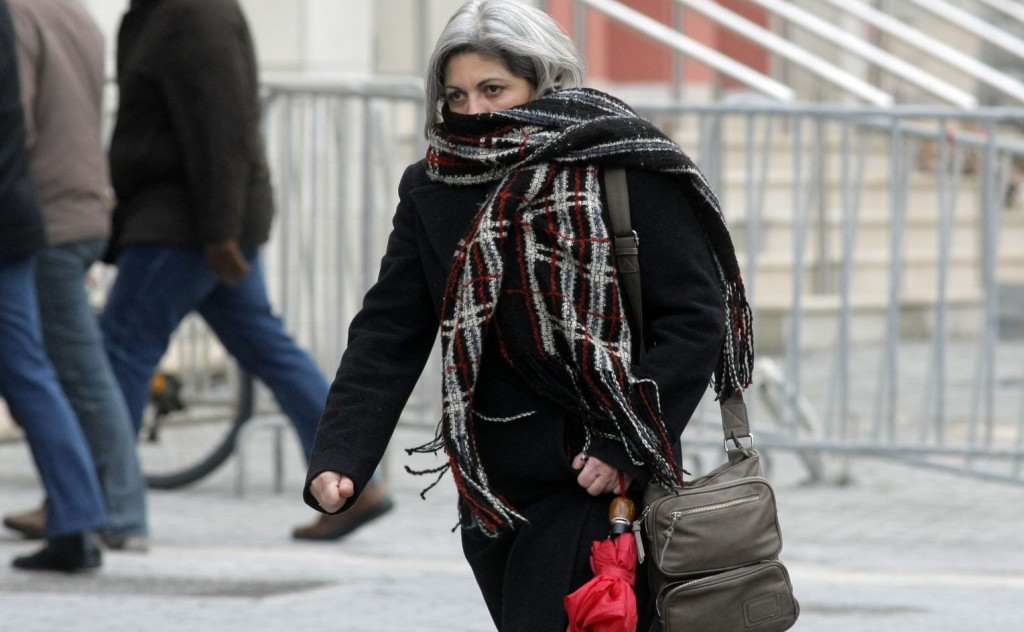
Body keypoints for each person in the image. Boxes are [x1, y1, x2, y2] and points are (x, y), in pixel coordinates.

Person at [303, 1, 754, 630]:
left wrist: (625, 443)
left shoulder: (619, 166)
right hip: (491, 486)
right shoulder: (432, 185)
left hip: (597, 474)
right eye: (456, 95)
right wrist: (342, 455)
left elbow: (694, 318)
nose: (474, 111)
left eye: (493, 89)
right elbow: (389, 330)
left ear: (543, 82)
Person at [100, 0, 393, 541]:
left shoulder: (191, 14)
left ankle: (99, 505)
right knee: (266, 346)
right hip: (201, 220)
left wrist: (219, 232)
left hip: (186, 224)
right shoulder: (171, 12)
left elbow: (222, 128)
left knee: (118, 352)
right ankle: (355, 480)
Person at [2, 0, 149, 552]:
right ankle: (79, 508)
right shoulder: (74, 14)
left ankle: (109, 511)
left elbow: (15, 125)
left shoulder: (20, 17)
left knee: (64, 374)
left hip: (46, 216)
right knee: (53, 371)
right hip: (73, 208)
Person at [0, 0, 107, 573]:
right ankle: (79, 517)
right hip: (25, 215)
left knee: (34, 372)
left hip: (27, 216)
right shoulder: (73, 15)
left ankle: (83, 518)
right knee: (30, 372)